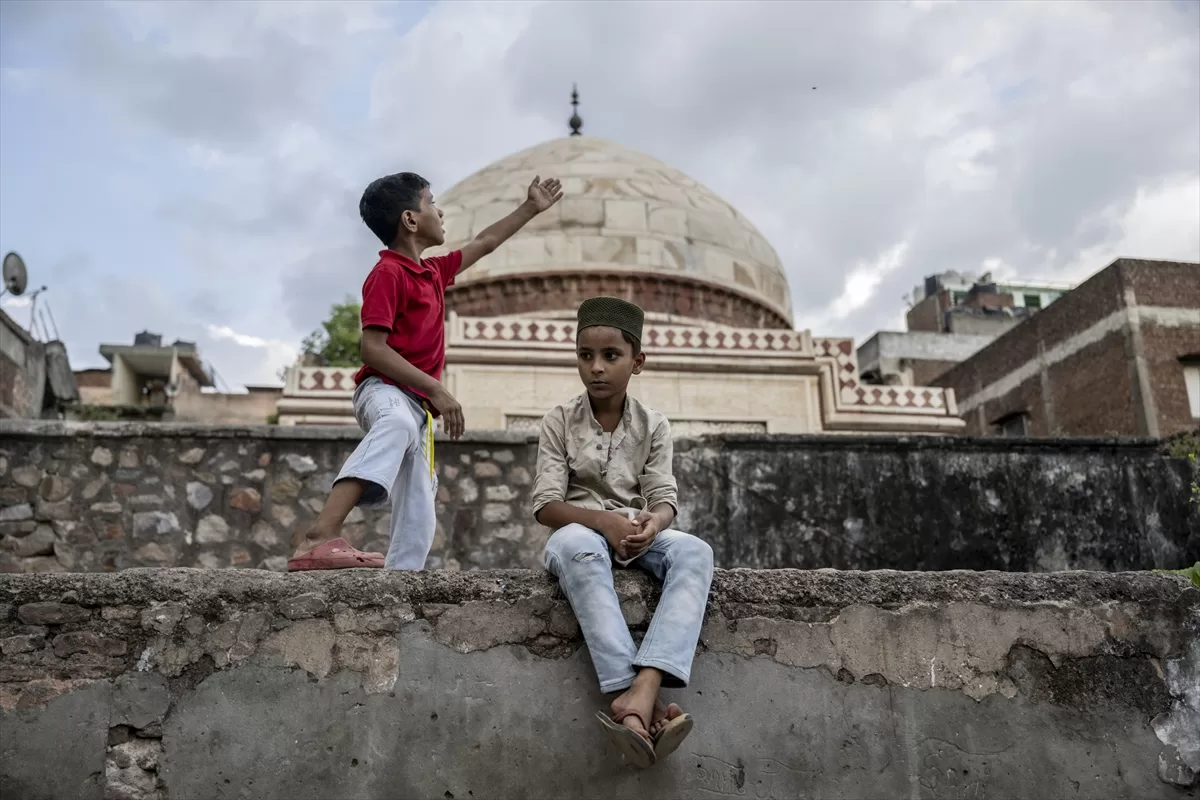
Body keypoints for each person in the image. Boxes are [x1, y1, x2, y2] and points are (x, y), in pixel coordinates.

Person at [288, 171, 563, 571]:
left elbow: (485, 243)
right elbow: (372, 348)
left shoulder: (432, 274)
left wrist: (530, 208)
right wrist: (436, 389)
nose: (440, 210)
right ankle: (319, 536)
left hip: (417, 407)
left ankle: (400, 582)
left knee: (420, 507)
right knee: (396, 423)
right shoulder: (388, 274)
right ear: (410, 220)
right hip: (384, 390)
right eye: (431, 203)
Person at [531, 296, 715, 768]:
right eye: (585, 355)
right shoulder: (559, 421)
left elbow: (663, 497)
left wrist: (655, 523)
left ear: (637, 362)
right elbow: (546, 507)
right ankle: (637, 700)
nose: (596, 367)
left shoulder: (654, 425)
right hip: (577, 532)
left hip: (635, 532)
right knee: (581, 548)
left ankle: (644, 688)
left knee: (695, 552)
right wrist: (603, 522)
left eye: (611, 355)